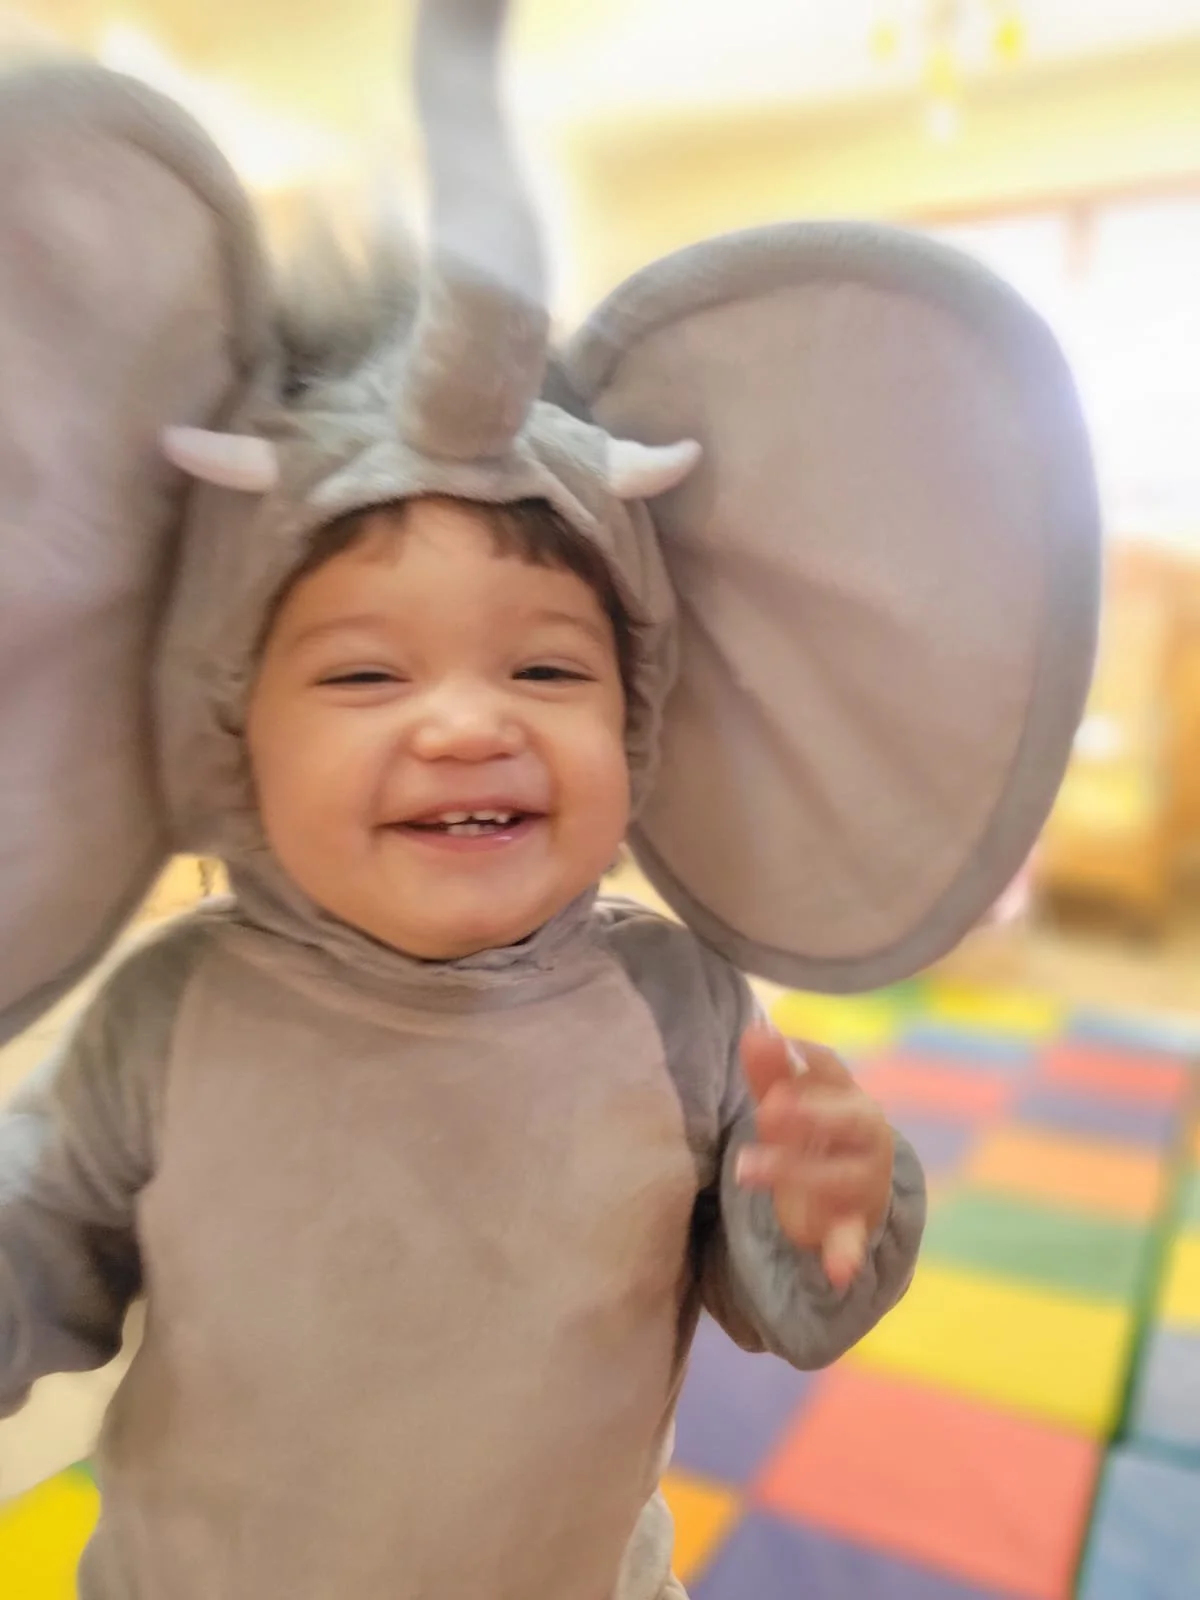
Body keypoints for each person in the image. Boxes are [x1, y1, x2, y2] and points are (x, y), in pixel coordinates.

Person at [0, 2, 1100, 1596]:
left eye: (547, 673)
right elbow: (45, 1252)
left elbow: (789, 1301)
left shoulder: (675, 1008)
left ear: (642, 714)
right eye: (367, 676)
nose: (465, 726)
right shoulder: (167, 1022)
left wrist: (825, 1205)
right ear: (230, 727)